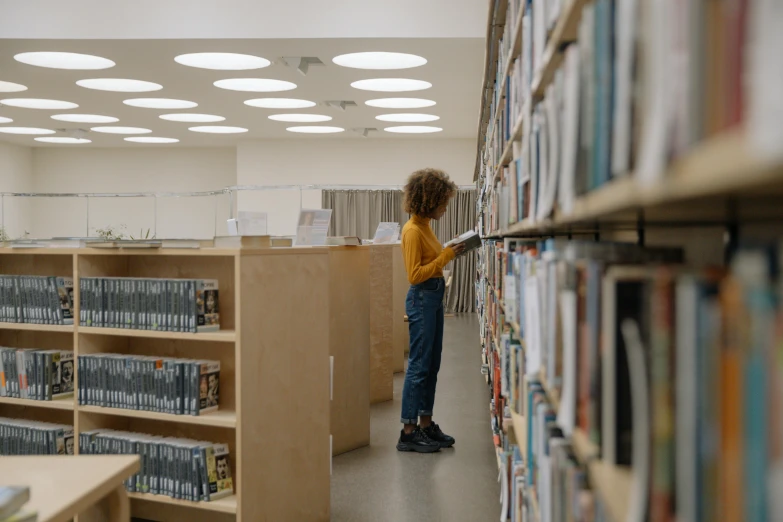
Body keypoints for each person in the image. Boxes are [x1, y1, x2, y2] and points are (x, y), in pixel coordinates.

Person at [397, 168, 465, 454]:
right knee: (418, 366)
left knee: (431, 364)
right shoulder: (412, 230)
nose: (446, 208)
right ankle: (408, 432)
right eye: (443, 202)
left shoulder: (425, 225)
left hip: (433, 298)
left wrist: (447, 250)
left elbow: (431, 260)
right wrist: (447, 256)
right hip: (422, 298)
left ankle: (426, 424)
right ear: (429, 200)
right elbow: (415, 274)